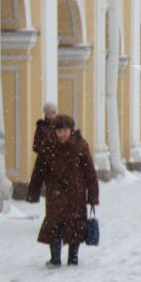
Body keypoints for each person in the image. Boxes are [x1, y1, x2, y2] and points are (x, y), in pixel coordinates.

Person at [27, 114, 98, 266]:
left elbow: (90, 173)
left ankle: (73, 257)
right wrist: (34, 191)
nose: (61, 134)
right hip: (55, 193)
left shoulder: (80, 145)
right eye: (58, 131)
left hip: (76, 193)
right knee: (54, 225)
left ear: (70, 130)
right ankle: (55, 258)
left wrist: (93, 196)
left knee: (75, 225)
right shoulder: (48, 145)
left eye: (64, 130)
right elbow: (39, 170)